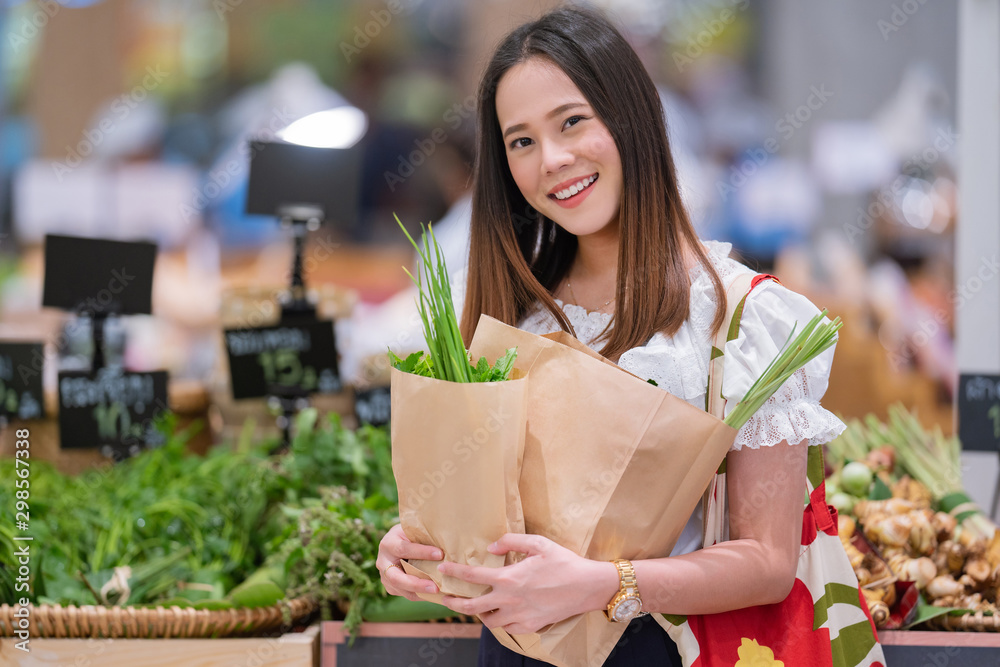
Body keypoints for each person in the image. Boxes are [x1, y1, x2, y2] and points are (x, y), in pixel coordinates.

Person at [377, 7, 844, 666]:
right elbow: (492, 512)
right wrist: (413, 542)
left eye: (572, 122)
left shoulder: (742, 319)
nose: (554, 160)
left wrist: (603, 584)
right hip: (514, 652)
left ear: (630, 115)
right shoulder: (504, 314)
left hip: (666, 649)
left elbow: (768, 560)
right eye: (521, 141)